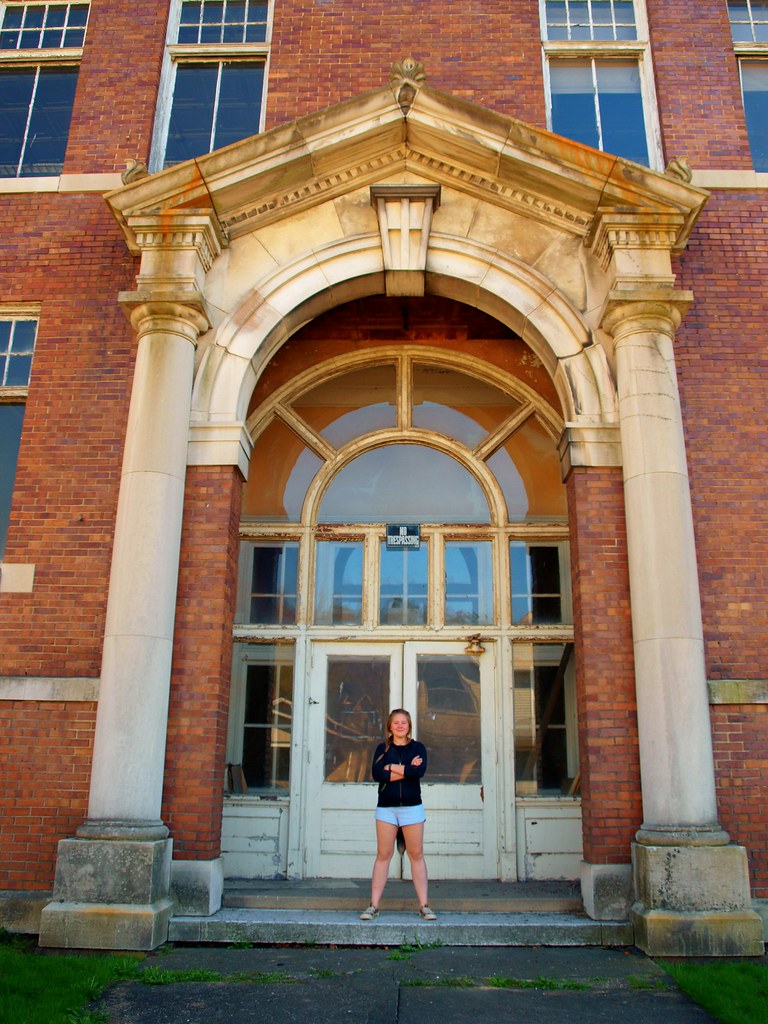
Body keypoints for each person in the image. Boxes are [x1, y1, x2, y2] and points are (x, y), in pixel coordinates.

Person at [359, 708, 437, 921]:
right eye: (396, 723)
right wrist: (404, 770)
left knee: (416, 855)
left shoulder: (418, 748)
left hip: (412, 808)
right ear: (390, 726)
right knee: (383, 856)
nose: (400, 726)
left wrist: (392, 768)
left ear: (409, 725)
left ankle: (424, 906)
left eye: (404, 722)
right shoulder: (381, 749)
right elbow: (377, 774)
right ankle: (373, 906)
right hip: (386, 809)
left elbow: (418, 773)